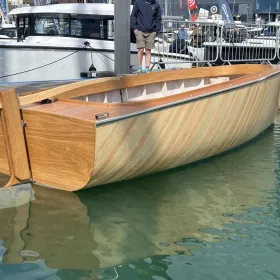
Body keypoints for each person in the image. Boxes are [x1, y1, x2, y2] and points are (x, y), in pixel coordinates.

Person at [130, 0, 162, 74]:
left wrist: (156, 31)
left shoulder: (156, 4)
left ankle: (147, 68)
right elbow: (133, 15)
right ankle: (139, 68)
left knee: (148, 51)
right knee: (140, 49)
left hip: (151, 31)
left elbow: (158, 18)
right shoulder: (138, 2)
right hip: (140, 30)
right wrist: (135, 28)